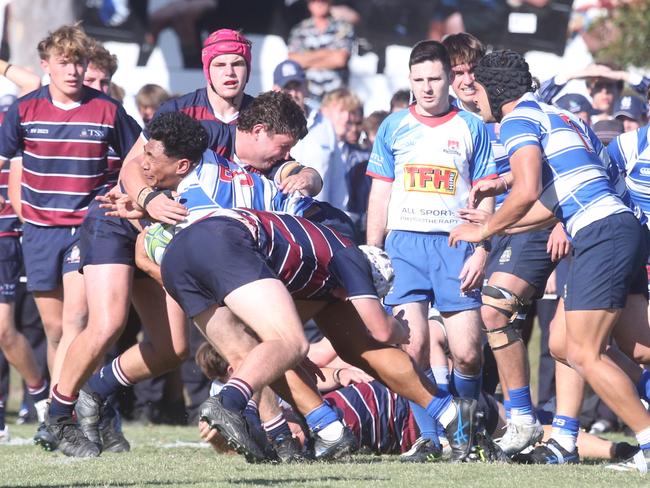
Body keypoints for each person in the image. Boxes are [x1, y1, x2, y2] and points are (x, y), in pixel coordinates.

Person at [450, 49, 650, 474]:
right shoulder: (564, 116)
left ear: (494, 90)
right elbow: (554, 202)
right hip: (619, 227)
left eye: (478, 89)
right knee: (617, 346)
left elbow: (525, 192)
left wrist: (484, 231)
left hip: (601, 233)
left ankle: (649, 444)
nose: (475, 97)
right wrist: (497, 225)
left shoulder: (518, 120)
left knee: (583, 351)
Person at [151, 206, 479, 463]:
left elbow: (274, 341)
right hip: (223, 238)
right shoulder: (350, 256)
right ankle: (229, 400)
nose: (345, 297)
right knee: (293, 343)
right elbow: (380, 330)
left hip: (178, 256)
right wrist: (398, 327)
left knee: (257, 351)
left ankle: (307, 434)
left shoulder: (317, 272)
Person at [0, 24, 140, 453]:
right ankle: (64, 411)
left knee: (81, 322)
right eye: (64, 62)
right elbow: (10, 162)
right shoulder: (23, 110)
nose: (74, 70)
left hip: (89, 229)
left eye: (79, 61)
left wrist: (126, 196)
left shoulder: (107, 110)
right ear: (46, 66)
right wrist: (23, 209)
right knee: (57, 329)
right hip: (39, 232)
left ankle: (68, 418)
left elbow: (138, 153)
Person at [366, 39, 495, 460]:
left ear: (450, 79)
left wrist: (482, 247)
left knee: (468, 352)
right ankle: (430, 437)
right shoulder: (393, 127)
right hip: (404, 245)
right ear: (409, 80)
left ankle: (467, 430)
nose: (426, 87)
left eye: (435, 78)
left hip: (455, 245)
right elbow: (379, 194)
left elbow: (486, 195)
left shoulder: (472, 127)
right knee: (413, 347)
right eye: (418, 79)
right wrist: (373, 250)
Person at [444, 32, 570, 456]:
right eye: (456, 73)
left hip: (532, 226)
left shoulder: (513, 115)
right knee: (503, 328)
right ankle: (522, 426)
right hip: (498, 228)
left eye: (470, 73)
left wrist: (562, 219)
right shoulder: (461, 120)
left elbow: (540, 176)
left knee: (556, 333)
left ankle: (535, 424)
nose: (464, 81)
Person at [0, 63, 47, 444]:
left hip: (4, 231)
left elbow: (33, 83)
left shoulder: (10, 113)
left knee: (4, 330)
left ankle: (41, 396)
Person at [288, 0, 355, 101]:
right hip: (308, 96)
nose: (319, 3)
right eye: (315, 1)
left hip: (337, 97)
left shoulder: (343, 28)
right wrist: (327, 54)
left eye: (323, 1)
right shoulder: (299, 29)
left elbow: (340, 59)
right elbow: (293, 61)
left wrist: (307, 59)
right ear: (309, 4)